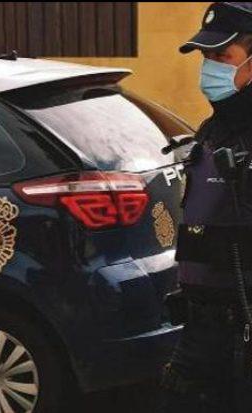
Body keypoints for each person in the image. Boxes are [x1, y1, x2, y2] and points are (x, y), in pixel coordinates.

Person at [160, 2, 252, 412]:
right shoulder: (215, 130)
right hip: (201, 331)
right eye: (206, 56)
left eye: (222, 56)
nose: (209, 67)